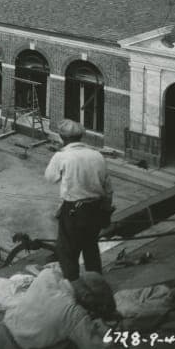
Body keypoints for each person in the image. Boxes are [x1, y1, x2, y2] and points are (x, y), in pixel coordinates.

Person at [0, 264, 120, 349]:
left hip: (3, 331)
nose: (91, 311)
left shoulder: (48, 274)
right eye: (94, 305)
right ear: (86, 296)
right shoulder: (73, 313)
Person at [45, 119, 114, 279]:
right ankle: (96, 283)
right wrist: (105, 211)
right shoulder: (97, 155)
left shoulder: (62, 156)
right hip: (96, 209)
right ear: (81, 136)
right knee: (91, 247)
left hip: (73, 211)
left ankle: (74, 286)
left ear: (62, 137)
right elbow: (108, 189)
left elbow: (50, 178)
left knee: (67, 250)